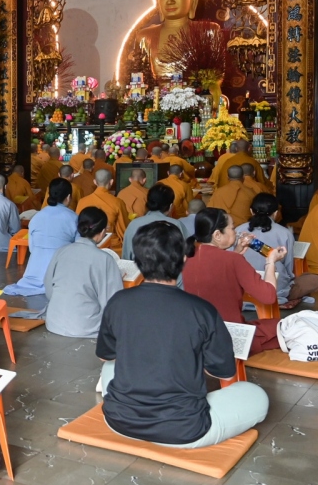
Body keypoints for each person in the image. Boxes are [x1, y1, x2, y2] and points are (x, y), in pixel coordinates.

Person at [96, 221, 269, 447]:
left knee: (110, 367)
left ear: (137, 261)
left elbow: (105, 356)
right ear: (184, 259)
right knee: (255, 395)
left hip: (120, 420)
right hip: (185, 429)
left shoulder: (118, 301)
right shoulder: (201, 309)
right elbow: (224, 373)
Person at [184, 207, 283, 355]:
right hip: (229, 337)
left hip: (194, 337)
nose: (235, 232)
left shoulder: (187, 257)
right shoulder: (233, 260)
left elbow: (214, 270)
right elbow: (268, 296)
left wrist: (236, 252)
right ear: (217, 234)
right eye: (232, 228)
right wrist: (270, 261)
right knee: (283, 327)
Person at [43, 207, 123, 339]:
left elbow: (49, 289)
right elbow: (112, 303)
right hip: (85, 326)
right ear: (103, 232)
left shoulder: (61, 251)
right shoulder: (104, 259)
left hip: (54, 321)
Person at [3, 178, 78, 313]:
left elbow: (32, 248)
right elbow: (79, 248)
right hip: (60, 270)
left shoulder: (37, 217)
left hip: (34, 270)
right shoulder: (73, 217)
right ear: (68, 197)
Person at [237, 192, 318, 307]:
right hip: (274, 291)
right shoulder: (284, 233)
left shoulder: (239, 230)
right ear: (276, 213)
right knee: (314, 280)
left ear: (251, 211)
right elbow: (288, 269)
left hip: (242, 289)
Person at [122, 183, 188, 260]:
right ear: (170, 206)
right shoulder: (175, 225)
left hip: (138, 270)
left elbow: (126, 258)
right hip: (167, 271)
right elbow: (186, 254)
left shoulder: (133, 224)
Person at [76, 169, 130, 253]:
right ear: (111, 182)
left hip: (85, 246)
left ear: (94, 182)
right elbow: (123, 230)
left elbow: (78, 227)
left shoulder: (82, 201)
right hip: (111, 248)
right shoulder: (117, 202)